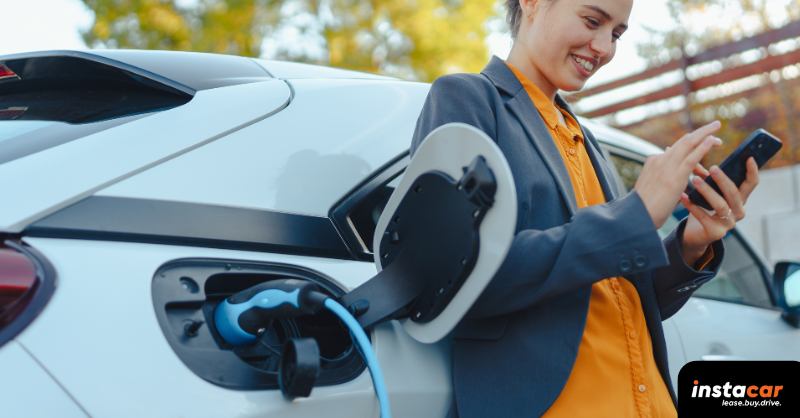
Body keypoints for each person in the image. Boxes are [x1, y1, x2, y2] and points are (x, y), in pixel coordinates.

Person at [409, 0, 761, 417]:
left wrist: (692, 242)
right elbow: (453, 278)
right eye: (593, 21)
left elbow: (624, 296)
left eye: (616, 33)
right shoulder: (467, 100)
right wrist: (636, 216)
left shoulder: (586, 140)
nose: (605, 48)